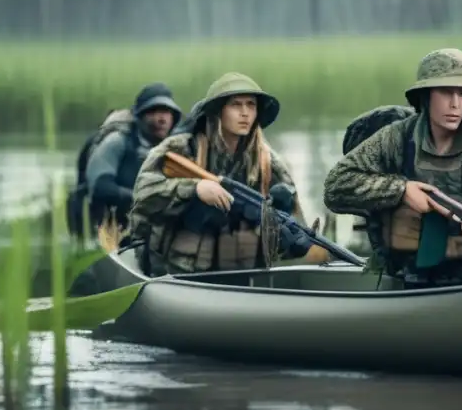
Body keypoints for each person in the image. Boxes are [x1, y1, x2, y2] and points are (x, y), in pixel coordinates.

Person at [322, 48, 462, 288]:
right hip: (402, 280)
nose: (455, 104)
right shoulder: (394, 140)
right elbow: (335, 187)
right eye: (445, 92)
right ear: (425, 96)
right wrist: (401, 190)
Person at [128, 72, 314, 275]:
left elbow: (296, 227)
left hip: (245, 274)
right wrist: (194, 189)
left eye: (251, 105)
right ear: (218, 112)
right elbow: (142, 195)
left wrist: (288, 238)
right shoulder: (182, 148)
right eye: (236, 105)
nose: (245, 113)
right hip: (176, 272)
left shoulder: (268, 162)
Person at [67, 83, 182, 237]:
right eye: (154, 111)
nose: (162, 119)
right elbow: (100, 188)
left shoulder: (176, 149)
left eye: (166, 112)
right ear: (139, 116)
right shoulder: (117, 142)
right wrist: (146, 199)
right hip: (108, 230)